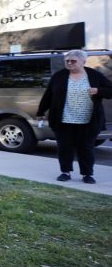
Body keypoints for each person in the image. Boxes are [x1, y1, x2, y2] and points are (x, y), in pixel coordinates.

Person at [36, 50, 112, 184]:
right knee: (64, 147)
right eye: (67, 61)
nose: (69, 63)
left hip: (88, 121)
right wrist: (41, 112)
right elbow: (48, 95)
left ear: (83, 61)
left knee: (86, 148)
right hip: (63, 120)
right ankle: (65, 172)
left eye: (73, 61)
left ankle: (87, 174)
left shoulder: (94, 75)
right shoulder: (59, 76)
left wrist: (99, 90)